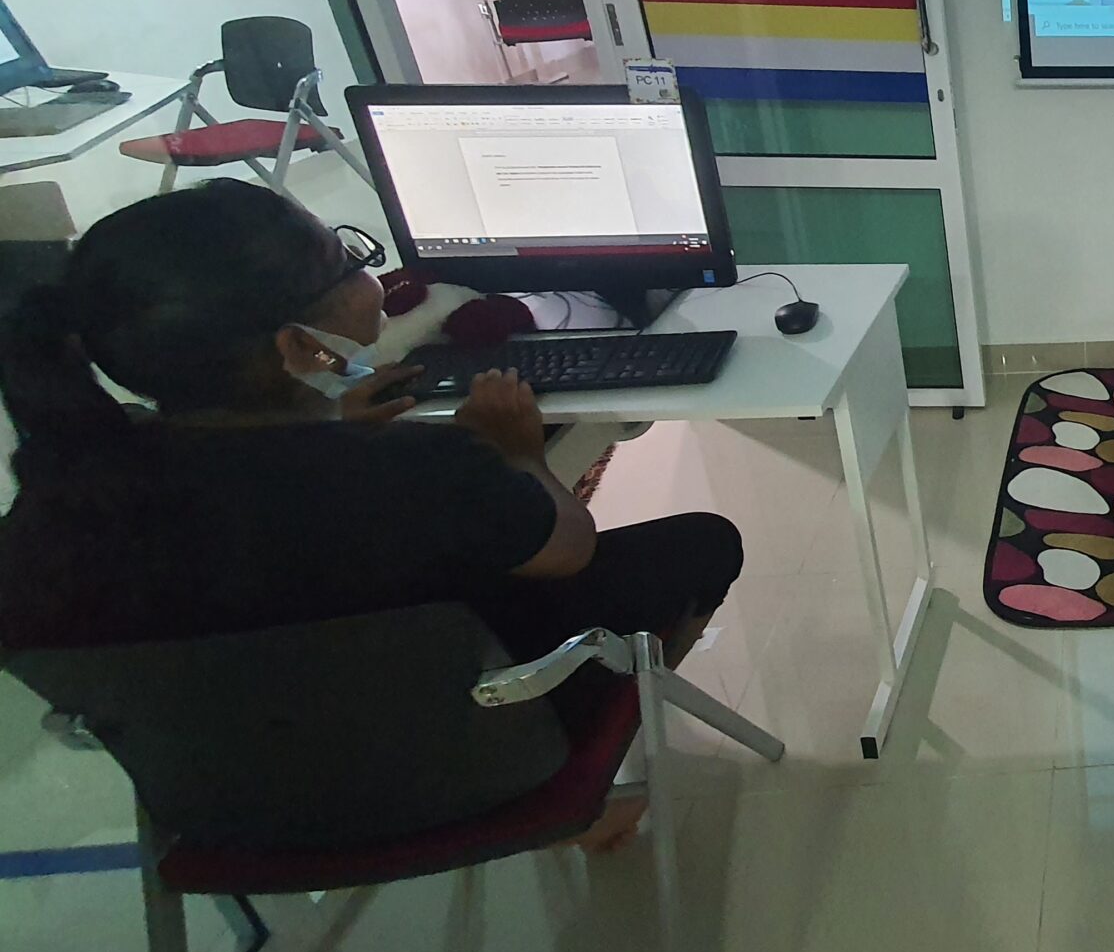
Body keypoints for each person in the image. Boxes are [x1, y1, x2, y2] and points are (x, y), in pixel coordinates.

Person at [0, 180, 744, 849]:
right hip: (478, 762)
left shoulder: (55, 507)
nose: (368, 274)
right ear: (300, 345)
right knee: (701, 544)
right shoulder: (417, 471)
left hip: (227, 805)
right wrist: (518, 453)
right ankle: (586, 793)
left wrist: (324, 427)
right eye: (347, 260)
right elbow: (568, 549)